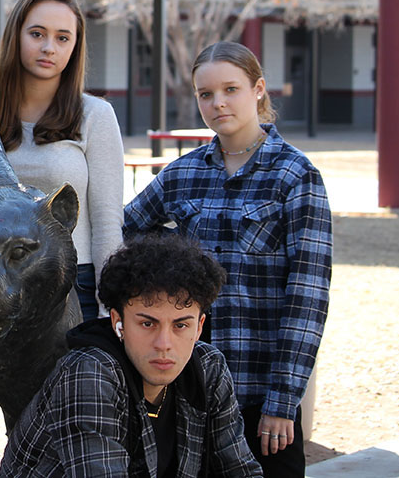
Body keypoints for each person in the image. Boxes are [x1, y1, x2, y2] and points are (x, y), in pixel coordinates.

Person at [124, 41, 332, 477]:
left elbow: (308, 298)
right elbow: (125, 230)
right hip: (189, 393)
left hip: (260, 397)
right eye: (205, 94)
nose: (218, 103)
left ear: (258, 89)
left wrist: (283, 401)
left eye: (230, 89)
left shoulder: (296, 176)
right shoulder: (182, 174)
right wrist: (172, 250)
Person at [0, 233, 262, 477]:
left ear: (199, 327)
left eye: (181, 325)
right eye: (147, 324)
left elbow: (241, 470)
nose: (164, 344)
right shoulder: (89, 373)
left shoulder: (209, 368)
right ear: (118, 322)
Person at [0, 0, 124, 321]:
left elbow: (107, 221)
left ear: (75, 46)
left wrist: (109, 307)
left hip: (74, 283)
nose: (49, 47)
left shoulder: (95, 115)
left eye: (63, 38)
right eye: (37, 34)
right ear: (16, 36)